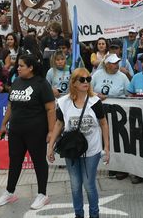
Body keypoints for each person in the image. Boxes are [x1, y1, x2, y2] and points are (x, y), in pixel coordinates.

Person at [48, 68, 110, 218]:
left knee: (89, 185)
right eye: (82, 80)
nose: (86, 82)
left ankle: (94, 214)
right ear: (74, 83)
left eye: (88, 79)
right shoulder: (63, 103)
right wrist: (50, 147)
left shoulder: (95, 102)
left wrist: (107, 148)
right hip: (72, 150)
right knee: (75, 186)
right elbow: (58, 124)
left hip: (92, 150)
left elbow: (103, 124)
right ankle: (79, 214)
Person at [0, 54, 56, 209]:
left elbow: (50, 109)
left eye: (21, 65)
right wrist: (4, 124)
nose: (18, 68)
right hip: (16, 131)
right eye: (18, 65)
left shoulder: (42, 84)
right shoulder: (16, 81)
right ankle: (10, 192)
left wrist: (51, 131)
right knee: (15, 161)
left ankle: (42, 194)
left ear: (31, 68)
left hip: (36, 131)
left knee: (38, 162)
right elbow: (10, 105)